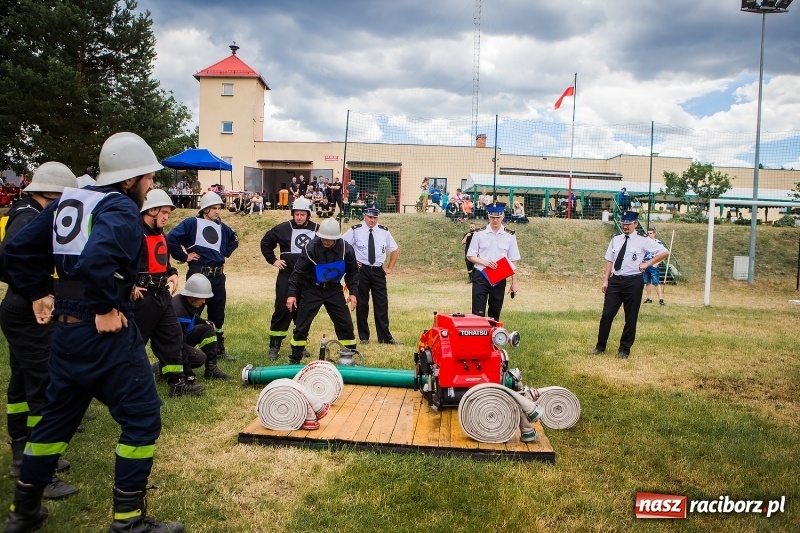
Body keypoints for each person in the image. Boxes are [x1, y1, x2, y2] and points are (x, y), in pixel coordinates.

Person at [2, 132, 184, 532]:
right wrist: (103, 307)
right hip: (104, 330)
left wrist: (37, 294)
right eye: (148, 178)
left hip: (65, 334)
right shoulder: (119, 206)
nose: (151, 186)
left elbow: (13, 251)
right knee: (142, 419)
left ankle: (23, 513)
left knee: (53, 423)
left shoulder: (69, 201)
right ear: (129, 179)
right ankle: (129, 522)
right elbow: (98, 260)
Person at [1, 162, 80, 501]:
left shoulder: (24, 209)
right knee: (42, 386)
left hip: (17, 307)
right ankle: (38, 473)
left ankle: (21, 456)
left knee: (21, 383)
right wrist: (37, 293)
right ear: (52, 193)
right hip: (28, 311)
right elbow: (8, 257)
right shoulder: (30, 216)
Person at [134, 189, 204, 396]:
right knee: (136, 343)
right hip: (141, 298)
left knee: (173, 338)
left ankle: (177, 383)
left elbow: (162, 260)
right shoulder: (134, 232)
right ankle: (132, 386)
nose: (166, 217)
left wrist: (172, 272)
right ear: (151, 210)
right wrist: (129, 285)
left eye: (168, 213)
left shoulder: (159, 233)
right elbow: (120, 261)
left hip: (161, 295)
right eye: (163, 212)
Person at [167, 191, 239, 363]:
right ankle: (183, 346)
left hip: (218, 276)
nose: (217, 211)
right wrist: (184, 257)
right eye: (213, 208)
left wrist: (222, 253)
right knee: (192, 310)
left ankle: (217, 348)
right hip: (199, 274)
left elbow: (234, 240)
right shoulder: (192, 223)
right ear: (205, 209)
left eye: (219, 208)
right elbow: (171, 238)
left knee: (218, 313)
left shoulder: (222, 227)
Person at [592, 211, 669, 359]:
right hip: (615, 281)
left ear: (635, 224)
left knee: (630, 317)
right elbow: (610, 260)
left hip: (633, 281)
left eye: (628, 224)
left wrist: (648, 263)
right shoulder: (616, 239)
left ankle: (624, 349)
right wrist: (606, 280)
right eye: (623, 223)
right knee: (607, 314)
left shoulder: (643, 240)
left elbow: (664, 252)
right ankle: (600, 346)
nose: (625, 226)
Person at [286, 218, 360, 364]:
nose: (325, 241)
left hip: (334, 290)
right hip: (312, 289)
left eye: (329, 239)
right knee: (301, 324)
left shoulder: (347, 250)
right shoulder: (310, 248)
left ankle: (349, 356)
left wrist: (353, 293)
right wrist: (292, 294)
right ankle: (295, 359)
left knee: (345, 323)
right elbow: (298, 272)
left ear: (336, 239)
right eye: (323, 238)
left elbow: (353, 272)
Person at [260, 198, 319, 360]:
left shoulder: (317, 230)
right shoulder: (283, 229)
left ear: (308, 214)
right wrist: (273, 260)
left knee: (304, 313)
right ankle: (274, 346)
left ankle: (299, 344)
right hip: (287, 276)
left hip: (308, 279)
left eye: (303, 214)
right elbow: (266, 242)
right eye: (297, 214)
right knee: (282, 310)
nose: (299, 217)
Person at [342, 207, 400, 345]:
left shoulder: (383, 231)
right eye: (369, 217)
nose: (372, 220)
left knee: (381, 303)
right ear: (364, 216)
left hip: (378, 271)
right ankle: (364, 337)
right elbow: (341, 245)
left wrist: (390, 267)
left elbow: (395, 249)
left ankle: (385, 337)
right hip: (361, 270)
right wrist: (350, 263)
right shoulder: (355, 230)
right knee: (362, 303)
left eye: (375, 218)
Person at [467, 204, 520, 321]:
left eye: (498, 217)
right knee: (477, 313)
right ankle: (478, 337)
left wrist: (514, 282)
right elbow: (470, 255)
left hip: (499, 275)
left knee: (495, 313)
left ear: (503, 216)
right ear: (488, 216)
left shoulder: (510, 235)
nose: (495, 220)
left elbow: (513, 260)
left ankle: (493, 338)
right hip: (481, 274)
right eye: (492, 217)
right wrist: (484, 262)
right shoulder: (479, 233)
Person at [172, 274, 229, 380]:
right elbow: (177, 345)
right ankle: (163, 368)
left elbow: (193, 316)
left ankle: (211, 369)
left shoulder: (187, 301)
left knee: (207, 330)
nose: (204, 302)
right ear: (192, 296)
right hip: (172, 346)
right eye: (202, 298)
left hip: (182, 339)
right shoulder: (178, 312)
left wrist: (204, 322)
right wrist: (189, 375)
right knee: (199, 358)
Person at [643, 228, 667, 305]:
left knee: (656, 282)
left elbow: (663, 254)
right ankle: (649, 298)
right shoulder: (645, 243)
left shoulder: (658, 243)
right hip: (646, 264)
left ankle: (661, 299)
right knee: (647, 282)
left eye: (650, 233)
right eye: (648, 233)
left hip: (653, 264)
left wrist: (657, 263)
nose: (649, 235)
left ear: (654, 234)